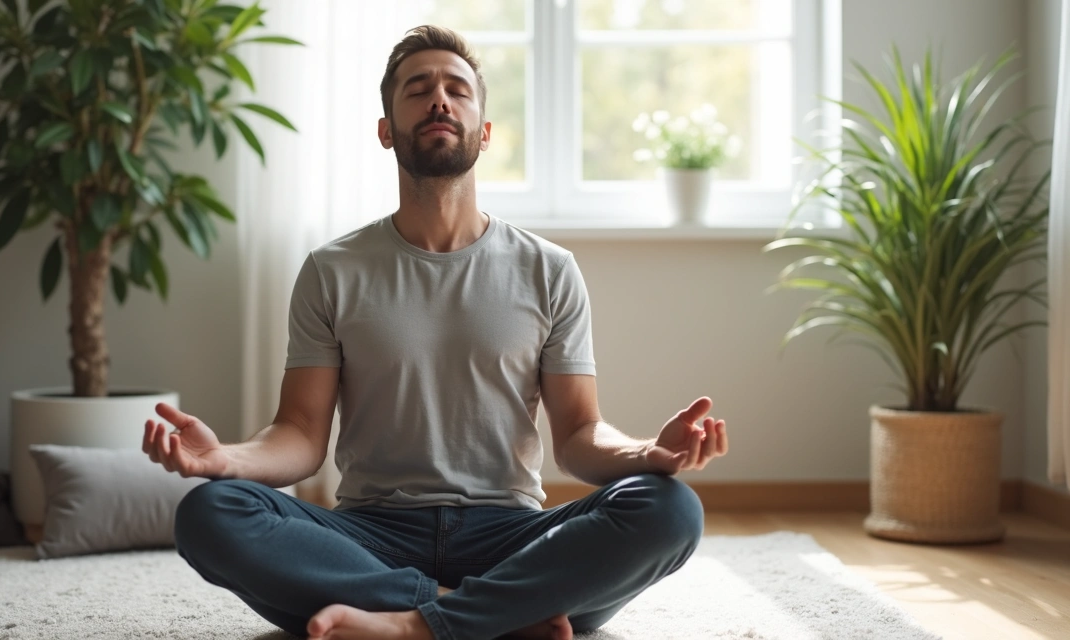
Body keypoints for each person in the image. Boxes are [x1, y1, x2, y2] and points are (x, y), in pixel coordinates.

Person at [141, 24, 729, 640]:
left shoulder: (549, 269)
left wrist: (645, 455)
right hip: (369, 538)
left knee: (669, 508)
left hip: (509, 533)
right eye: (418, 89)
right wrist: (225, 459)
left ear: (485, 130)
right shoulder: (332, 270)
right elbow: (301, 436)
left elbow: (579, 435)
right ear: (386, 130)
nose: (440, 100)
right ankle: (487, 616)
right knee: (211, 512)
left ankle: (404, 626)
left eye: (457, 89)